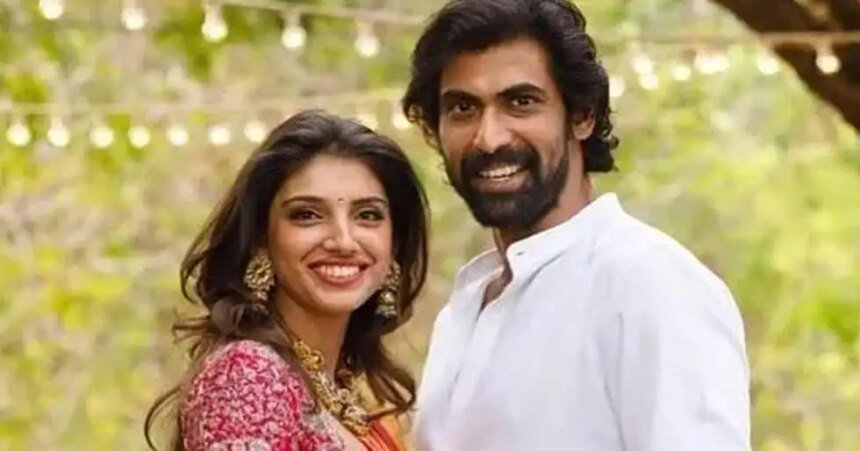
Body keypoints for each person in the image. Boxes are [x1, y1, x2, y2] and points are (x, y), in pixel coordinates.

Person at [401, 1, 751, 450]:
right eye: (463, 108)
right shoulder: (463, 311)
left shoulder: (650, 284)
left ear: (582, 116)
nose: (488, 138)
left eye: (521, 103)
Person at [144, 110, 429, 451]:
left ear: (394, 244)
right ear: (261, 239)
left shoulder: (345, 391)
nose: (343, 241)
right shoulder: (249, 375)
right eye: (307, 215)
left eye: (367, 215)